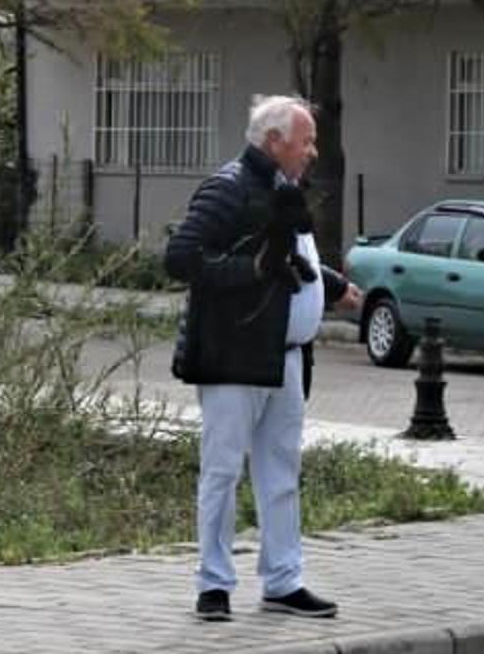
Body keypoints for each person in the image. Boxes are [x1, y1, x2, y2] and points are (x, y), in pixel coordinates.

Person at [165, 94, 363, 622]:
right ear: (274, 142)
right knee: (222, 472)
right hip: (233, 356)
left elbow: (290, 260)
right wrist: (251, 271)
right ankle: (213, 585)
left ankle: (283, 581)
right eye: (306, 141)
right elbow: (182, 259)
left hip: (287, 357)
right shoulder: (227, 188)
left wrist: (333, 285)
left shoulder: (284, 188)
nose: (314, 151)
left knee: (282, 473)